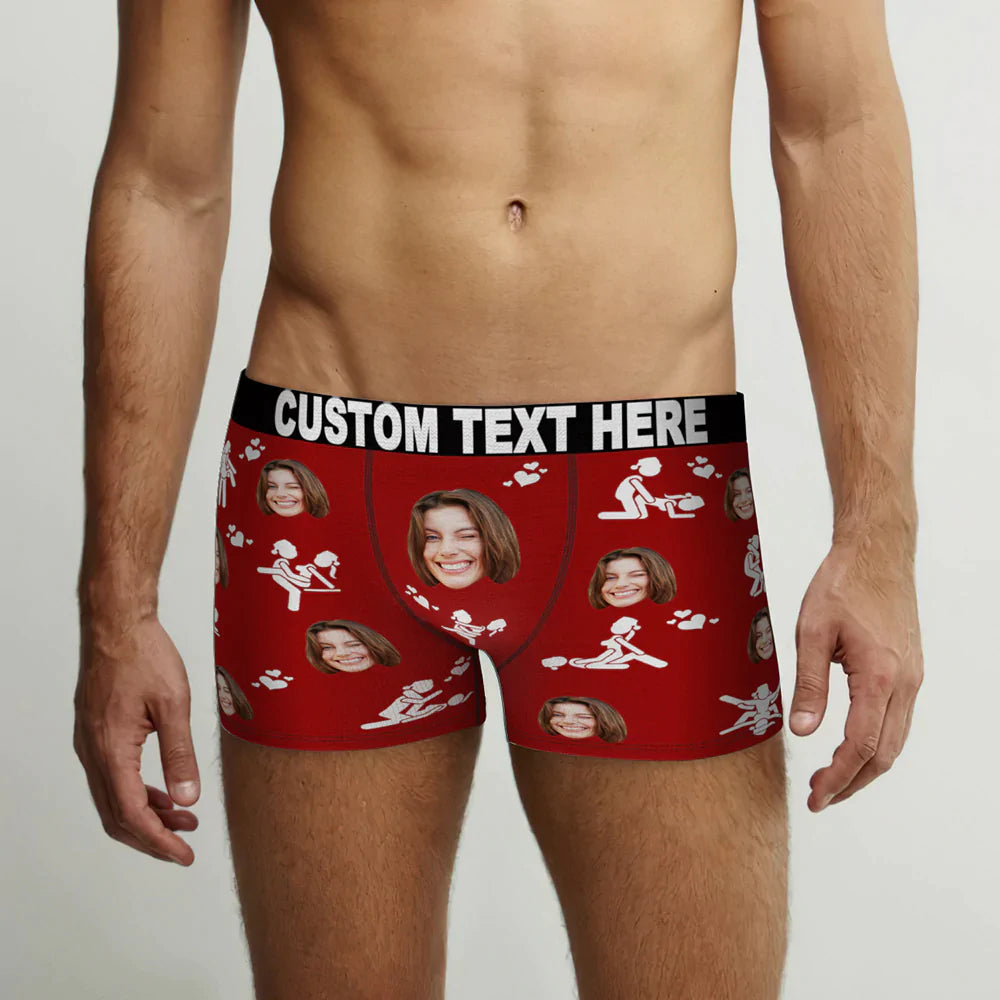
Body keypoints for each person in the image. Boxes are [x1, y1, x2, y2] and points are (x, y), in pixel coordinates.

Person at [72, 1, 924, 998]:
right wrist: (116, 605)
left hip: (647, 486)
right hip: (324, 479)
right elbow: (163, 183)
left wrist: (879, 534)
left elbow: (835, 125)